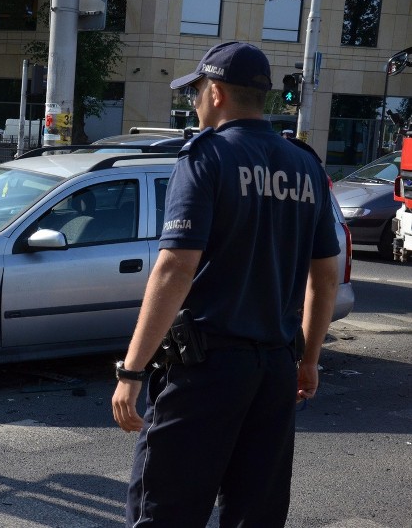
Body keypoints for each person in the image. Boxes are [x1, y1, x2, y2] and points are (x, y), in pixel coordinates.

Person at [111, 41, 339, 527]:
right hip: (275, 370)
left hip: (206, 371)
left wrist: (132, 372)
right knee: (254, 513)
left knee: (164, 511)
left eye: (195, 92)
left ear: (215, 92)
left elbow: (175, 269)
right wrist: (310, 360)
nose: (194, 103)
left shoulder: (206, 157)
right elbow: (325, 274)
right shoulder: (306, 166)